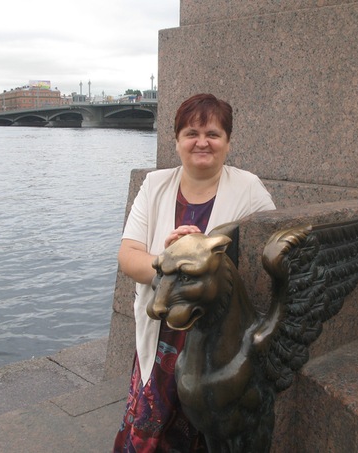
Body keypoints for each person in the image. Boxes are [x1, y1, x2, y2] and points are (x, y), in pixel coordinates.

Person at [113, 93, 276, 452]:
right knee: (153, 431)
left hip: (218, 344)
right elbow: (128, 256)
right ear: (177, 141)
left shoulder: (249, 189)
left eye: (213, 134)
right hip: (163, 332)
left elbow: (263, 265)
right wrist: (169, 261)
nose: (202, 142)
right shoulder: (155, 186)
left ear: (228, 142)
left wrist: (207, 261)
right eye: (191, 133)